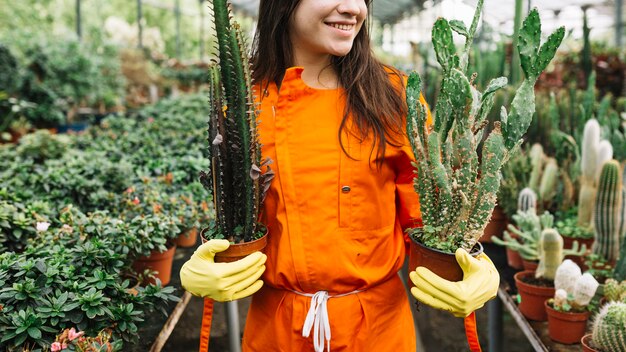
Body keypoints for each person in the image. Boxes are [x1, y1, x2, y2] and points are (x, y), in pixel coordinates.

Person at [180, 0, 499, 351]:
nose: (352, 8)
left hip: (377, 330)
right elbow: (235, 219)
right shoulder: (245, 105)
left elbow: (431, 219)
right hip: (278, 330)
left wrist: (474, 261)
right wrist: (205, 261)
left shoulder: (394, 95)